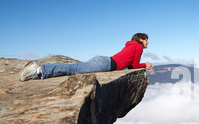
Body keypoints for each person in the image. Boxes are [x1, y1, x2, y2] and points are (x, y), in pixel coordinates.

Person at [18, 33, 153, 82]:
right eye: (146, 40)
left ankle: (40, 73)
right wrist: (145, 65)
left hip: (104, 61)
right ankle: (39, 70)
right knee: (74, 69)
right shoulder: (138, 46)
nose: (147, 43)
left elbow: (129, 65)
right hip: (105, 65)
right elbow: (134, 66)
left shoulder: (131, 46)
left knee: (76, 69)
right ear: (141, 39)